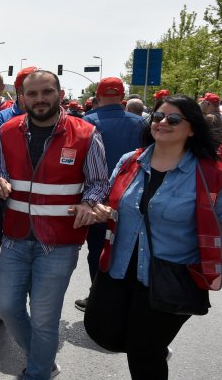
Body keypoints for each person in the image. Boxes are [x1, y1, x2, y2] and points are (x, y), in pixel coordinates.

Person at [0, 70, 110, 379]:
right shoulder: (7, 131)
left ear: (59, 94)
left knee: (45, 319)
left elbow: (99, 183)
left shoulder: (86, 133)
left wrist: (90, 202)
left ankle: (37, 372)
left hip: (60, 242)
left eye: (46, 92)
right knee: (7, 308)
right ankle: (43, 359)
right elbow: (3, 173)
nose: (39, 99)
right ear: (22, 98)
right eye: (31, 94)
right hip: (14, 237)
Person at [85, 94, 222, 379]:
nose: (162, 123)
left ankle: (153, 348)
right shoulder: (130, 161)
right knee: (101, 331)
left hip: (172, 276)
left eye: (173, 119)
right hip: (119, 267)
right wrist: (100, 209)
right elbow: (112, 202)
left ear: (192, 129)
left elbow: (221, 223)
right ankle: (155, 347)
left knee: (143, 353)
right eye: (158, 117)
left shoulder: (211, 173)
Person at [75, 77, 145, 311]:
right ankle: (125, 299)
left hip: (96, 199)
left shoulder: (87, 122)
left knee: (98, 248)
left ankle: (97, 299)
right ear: (122, 96)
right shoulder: (140, 123)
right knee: (128, 246)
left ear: (98, 95)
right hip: (132, 197)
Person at [0, 66, 36, 138]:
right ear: (19, 90)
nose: (40, 97)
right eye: (32, 92)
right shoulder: (1, 118)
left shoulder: (50, 116)